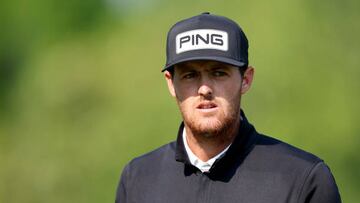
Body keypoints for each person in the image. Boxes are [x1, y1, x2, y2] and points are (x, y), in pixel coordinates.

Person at [115, 12, 341, 203]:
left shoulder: (303, 178)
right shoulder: (138, 179)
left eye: (219, 73)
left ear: (246, 79)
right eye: (190, 75)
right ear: (171, 83)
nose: (204, 88)